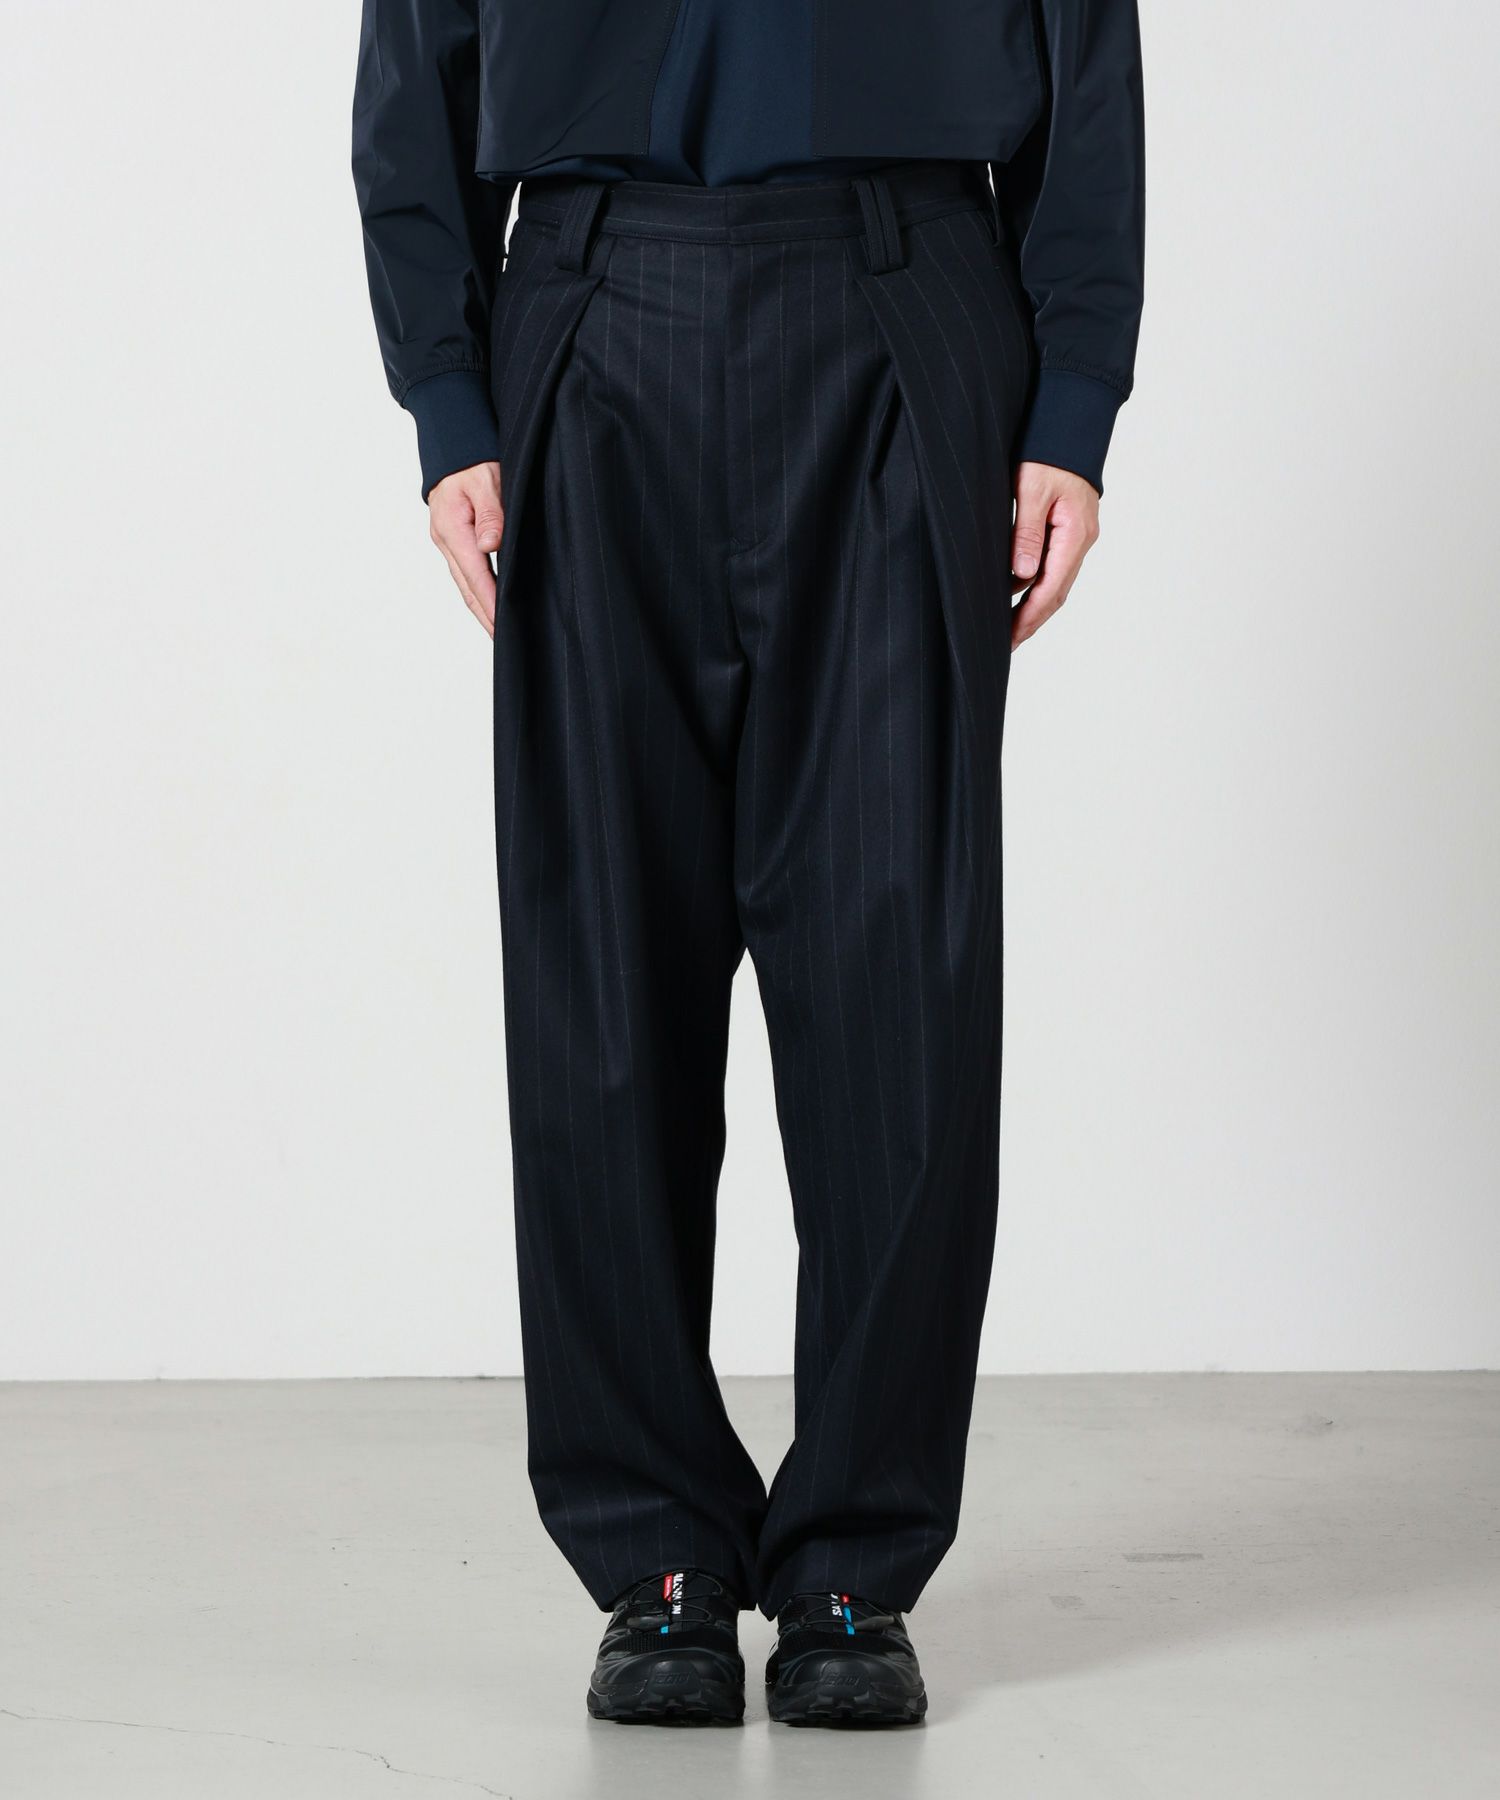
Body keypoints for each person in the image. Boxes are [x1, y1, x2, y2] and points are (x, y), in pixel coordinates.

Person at [352, 0, 1144, 1728]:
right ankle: (655, 1554)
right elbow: (414, 58)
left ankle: (857, 1556)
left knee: (896, 969)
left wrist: (1075, 395)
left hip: (903, 287)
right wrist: (447, 392)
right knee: (602, 974)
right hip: (589, 292)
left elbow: (1086, 52)